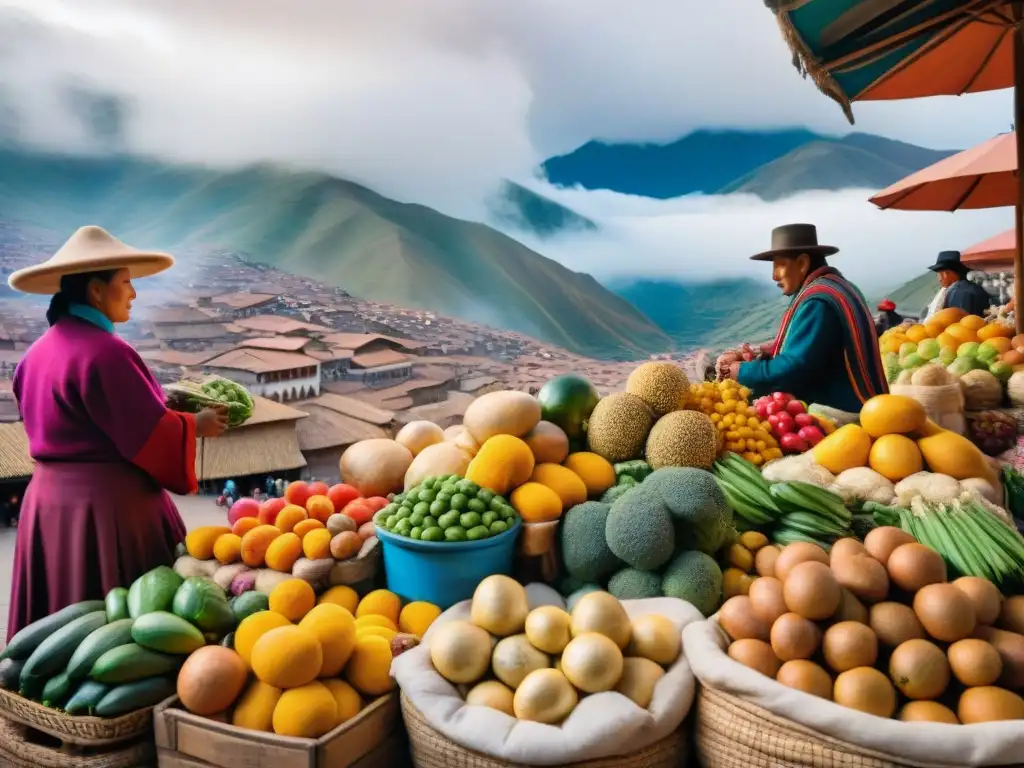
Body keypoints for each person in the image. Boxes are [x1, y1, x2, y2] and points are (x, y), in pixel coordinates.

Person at [5, 226, 228, 641]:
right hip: (108, 508)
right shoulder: (106, 352)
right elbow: (143, 433)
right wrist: (194, 425)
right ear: (95, 292)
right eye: (126, 282)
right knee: (128, 623)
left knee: (55, 620)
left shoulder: (36, 353)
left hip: (47, 504)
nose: (133, 293)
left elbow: (89, 420)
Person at [717, 224, 888, 414]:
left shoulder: (817, 302)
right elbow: (812, 345)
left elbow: (793, 370)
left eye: (780, 265)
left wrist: (738, 371)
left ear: (802, 263)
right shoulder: (838, 287)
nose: (774, 276)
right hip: (865, 405)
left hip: (841, 412)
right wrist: (758, 352)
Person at [924, 251, 992, 318]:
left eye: (940, 273)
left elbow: (958, 321)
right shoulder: (973, 287)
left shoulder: (959, 292)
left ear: (947, 273)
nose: (939, 278)